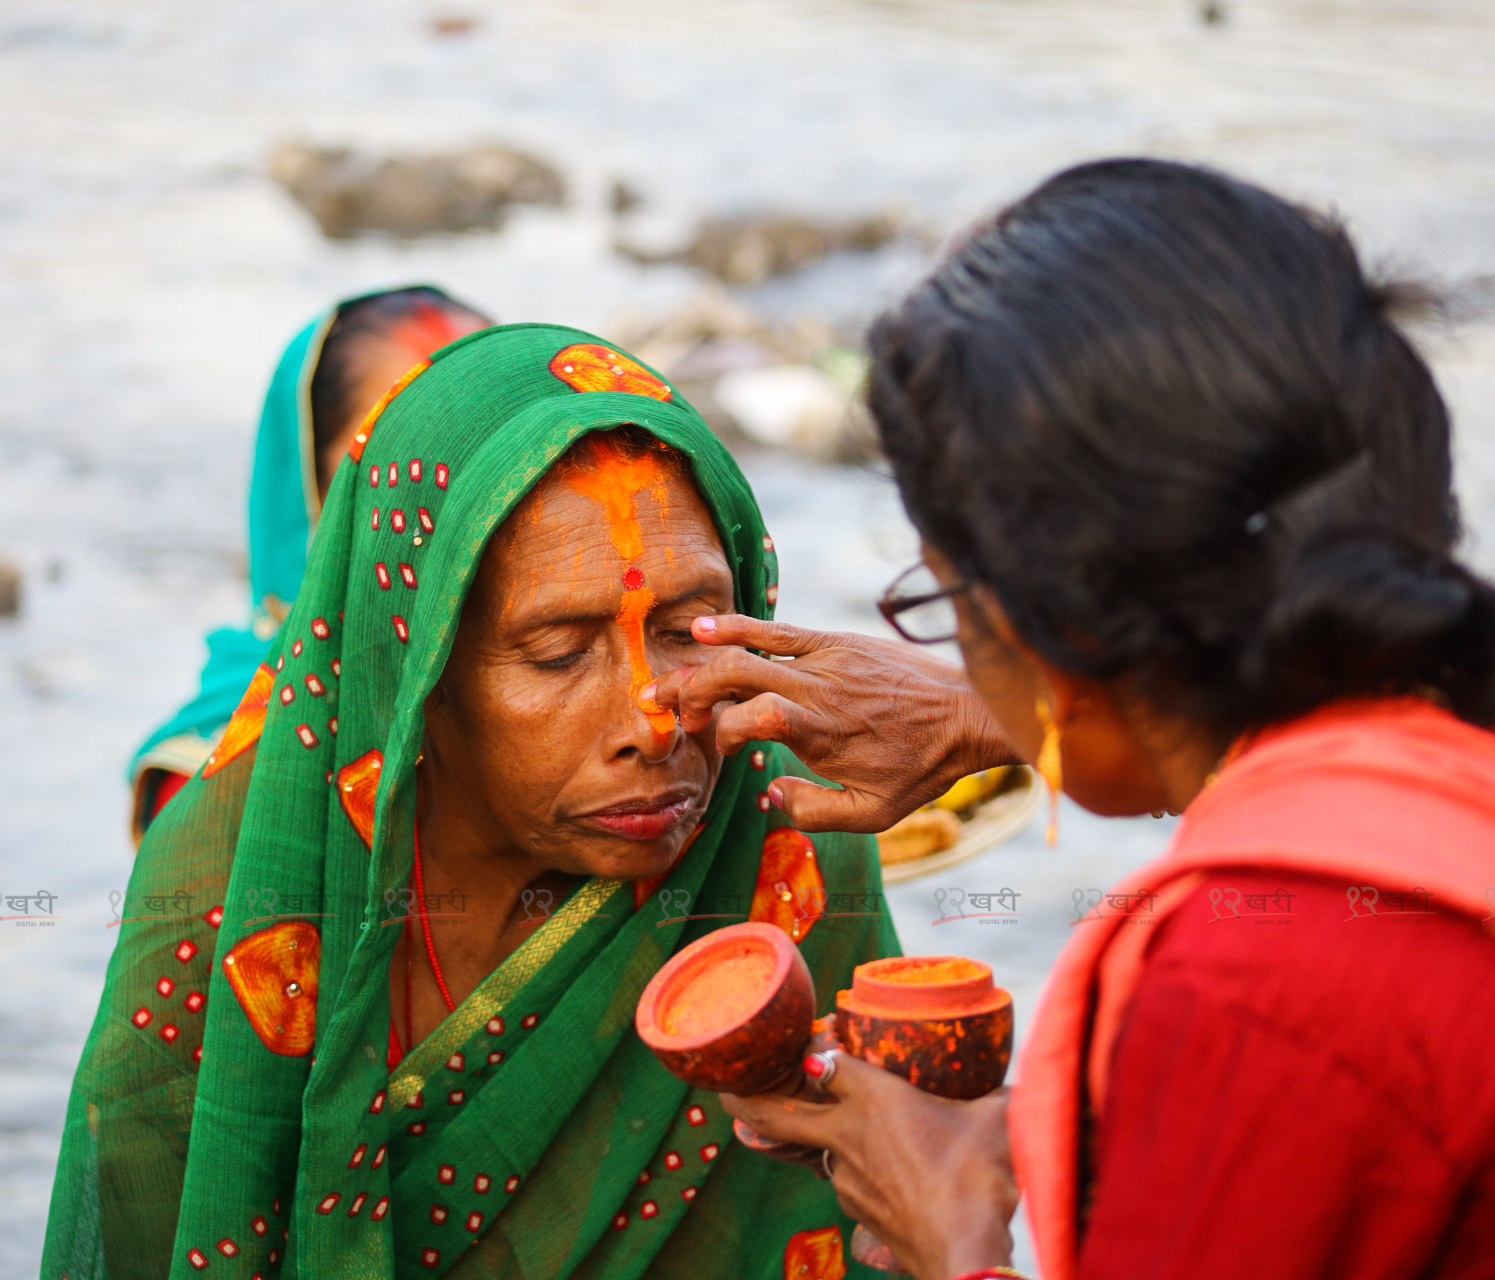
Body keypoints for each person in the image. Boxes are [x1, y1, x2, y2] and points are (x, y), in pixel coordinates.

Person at [655, 160, 1495, 1279]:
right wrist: (1000, 716)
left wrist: (952, 1236)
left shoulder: (1250, 982)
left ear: (1050, 629)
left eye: (947, 606)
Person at [45, 324, 900, 1279]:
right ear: (419, 675)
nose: (653, 721)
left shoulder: (780, 841)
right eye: (557, 652)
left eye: (690, 631)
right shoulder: (238, 885)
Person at [129, 286, 492, 842]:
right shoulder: (225, 771)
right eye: (411, 455)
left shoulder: (620, 680)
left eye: (497, 446)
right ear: (310, 490)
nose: (465, 490)